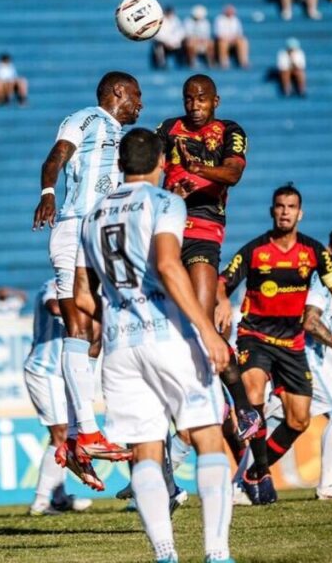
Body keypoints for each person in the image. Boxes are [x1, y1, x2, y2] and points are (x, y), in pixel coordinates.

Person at [74, 128, 233, 563]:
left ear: (120, 164)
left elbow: (83, 296)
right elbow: (166, 263)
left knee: (145, 451)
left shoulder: (92, 215)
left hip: (119, 347)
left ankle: (165, 554)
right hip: (168, 337)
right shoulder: (165, 202)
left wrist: (117, 318)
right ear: (162, 159)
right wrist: (207, 329)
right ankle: (217, 554)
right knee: (208, 437)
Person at [31, 72, 143, 488]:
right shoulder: (87, 118)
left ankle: (79, 439)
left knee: (95, 333)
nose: (140, 104)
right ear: (117, 92)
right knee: (78, 325)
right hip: (76, 225)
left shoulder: (118, 134)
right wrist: (47, 193)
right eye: (136, 95)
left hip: (101, 232)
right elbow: (56, 156)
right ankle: (87, 432)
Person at [216, 183, 332, 505]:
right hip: (255, 337)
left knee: (299, 419)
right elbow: (223, 282)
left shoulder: (314, 251)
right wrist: (221, 302)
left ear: (300, 213)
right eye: (280, 206)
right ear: (272, 211)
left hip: (292, 343)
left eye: (291, 207)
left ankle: (250, 476)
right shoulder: (255, 250)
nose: (285, 211)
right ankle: (262, 473)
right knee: (253, 394)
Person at [156, 74, 251, 437]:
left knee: (202, 322)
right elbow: (147, 170)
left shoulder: (230, 130)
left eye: (201, 99)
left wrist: (198, 169)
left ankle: (241, 405)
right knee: (169, 330)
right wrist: (167, 194)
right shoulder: (167, 128)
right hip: (167, 228)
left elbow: (233, 173)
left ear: (216, 101)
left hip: (205, 231)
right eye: (188, 99)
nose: (194, 106)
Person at [260, 225, 332, 500]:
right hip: (301, 358)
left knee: (277, 424)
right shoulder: (321, 279)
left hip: (288, 357)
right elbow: (309, 322)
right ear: (330, 249)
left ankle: (239, 485)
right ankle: (328, 484)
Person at [24, 279, 98, 512]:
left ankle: (58, 497)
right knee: (62, 433)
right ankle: (41, 501)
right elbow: (54, 307)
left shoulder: (87, 287)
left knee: (65, 435)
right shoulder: (55, 283)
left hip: (64, 374)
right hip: (44, 371)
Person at [213, 5, 249, 70]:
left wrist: (234, 39)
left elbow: (239, 33)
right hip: (223, 39)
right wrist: (227, 38)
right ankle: (224, 62)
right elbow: (217, 33)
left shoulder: (236, 19)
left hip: (234, 40)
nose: (230, 12)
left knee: (243, 41)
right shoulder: (219, 19)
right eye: (229, 11)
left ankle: (243, 61)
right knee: (223, 43)